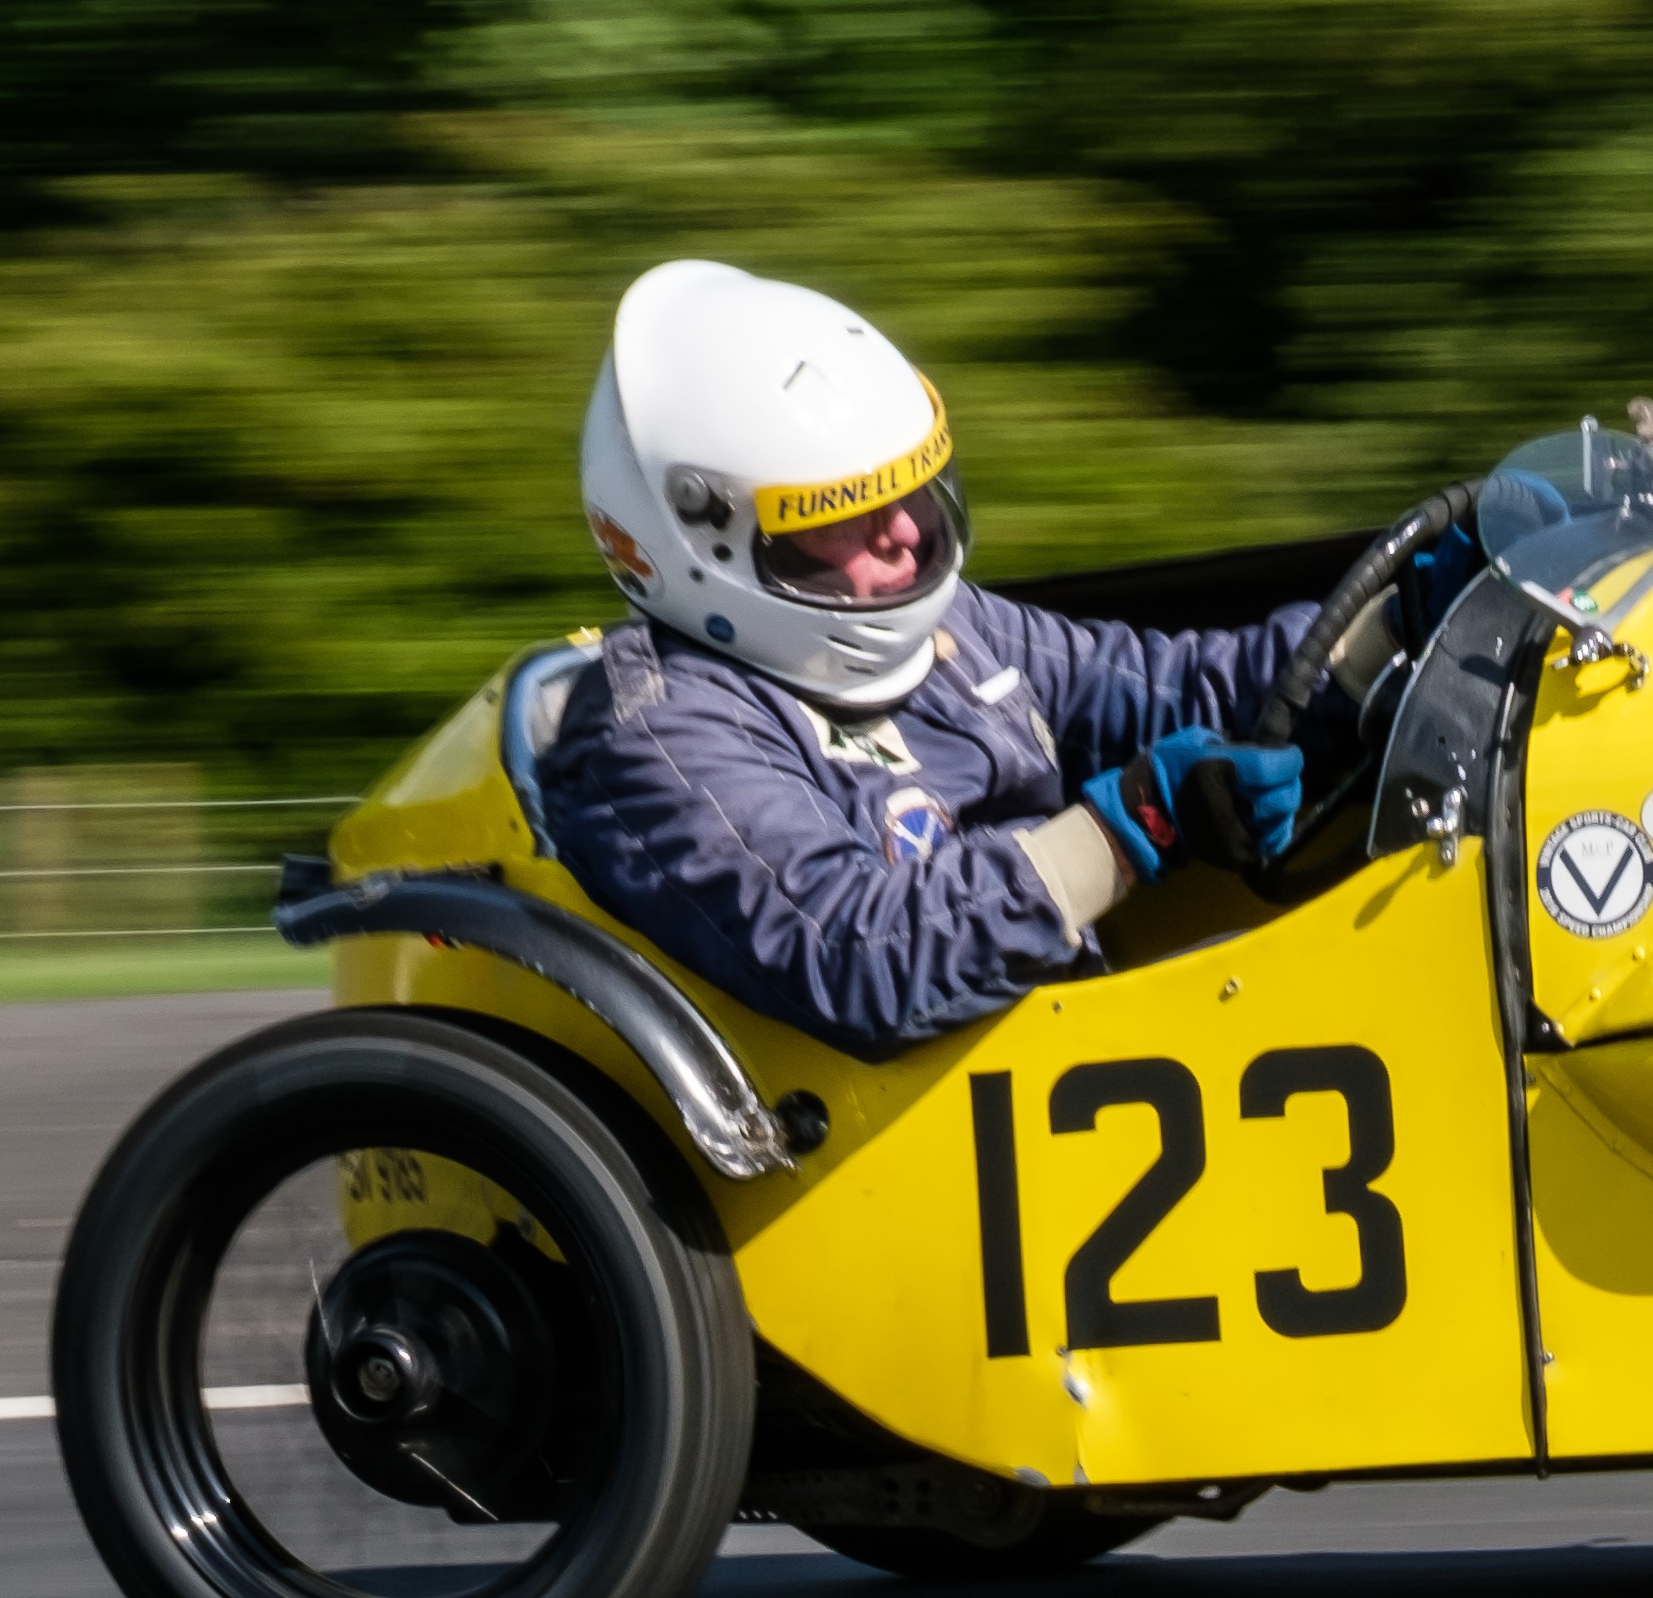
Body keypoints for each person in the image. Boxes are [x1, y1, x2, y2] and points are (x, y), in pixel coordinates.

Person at [532, 259, 1328, 1057]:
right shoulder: (661, 734)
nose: (908, 536)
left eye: (908, 491)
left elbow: (1172, 691)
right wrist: (1130, 829)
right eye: (846, 515)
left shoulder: (948, 627)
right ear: (707, 546)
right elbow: (851, 952)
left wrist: (1393, 623)